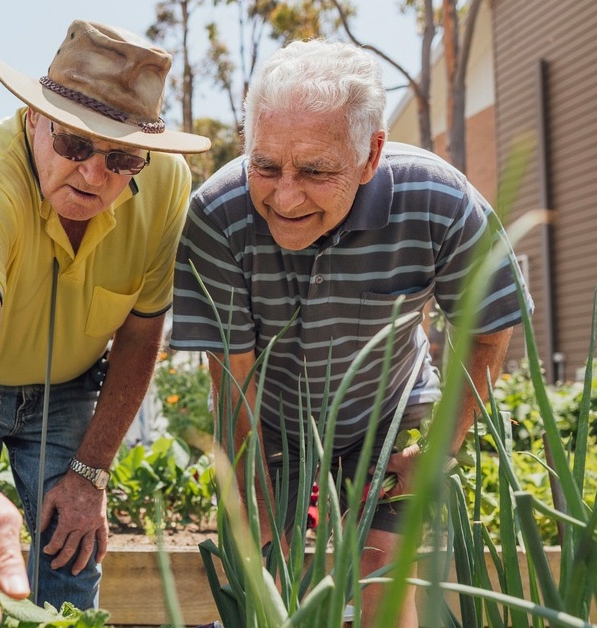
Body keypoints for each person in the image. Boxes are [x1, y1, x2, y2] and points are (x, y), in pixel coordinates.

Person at [170, 39, 527, 626]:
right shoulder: (219, 214)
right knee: (266, 581)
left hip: (392, 414)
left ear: (370, 154)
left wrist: (440, 446)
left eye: (315, 171)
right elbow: (232, 381)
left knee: (384, 578)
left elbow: (488, 332)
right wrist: (257, 501)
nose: (284, 198)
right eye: (265, 165)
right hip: (272, 418)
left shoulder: (439, 201)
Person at [0, 19, 211, 623]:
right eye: (73, 145)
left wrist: (91, 473)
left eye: (120, 157)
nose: (94, 175)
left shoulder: (167, 184)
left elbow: (142, 333)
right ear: (33, 119)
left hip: (68, 384)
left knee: (72, 551)